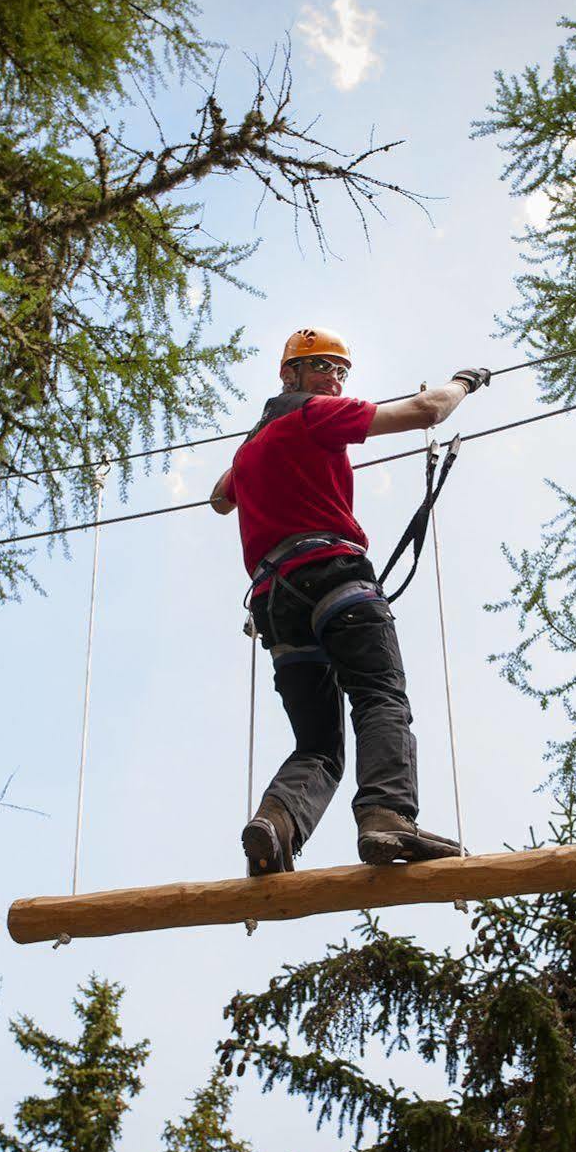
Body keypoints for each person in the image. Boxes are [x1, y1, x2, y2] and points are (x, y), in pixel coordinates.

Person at [211, 326, 489, 877]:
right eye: (321, 367)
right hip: (334, 582)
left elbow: (220, 498)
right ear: (290, 375)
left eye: (340, 370)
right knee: (380, 696)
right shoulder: (315, 415)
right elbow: (429, 410)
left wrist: (258, 442)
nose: (334, 379)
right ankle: (386, 817)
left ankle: (276, 824)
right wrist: (464, 383)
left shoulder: (251, 448)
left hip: (276, 604)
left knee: (317, 744)